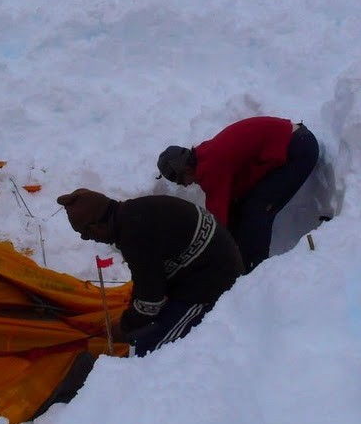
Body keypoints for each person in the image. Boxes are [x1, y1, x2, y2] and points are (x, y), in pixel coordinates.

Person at [56, 188, 243, 356]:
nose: (88, 239)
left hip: (213, 280)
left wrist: (125, 327)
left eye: (85, 234)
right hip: (205, 264)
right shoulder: (132, 213)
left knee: (152, 353)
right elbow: (146, 282)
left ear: (96, 226)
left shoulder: (133, 234)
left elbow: (151, 300)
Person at [157, 116, 319, 274]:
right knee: (243, 207)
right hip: (294, 142)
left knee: (257, 210)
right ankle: (246, 263)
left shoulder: (210, 168)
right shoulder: (205, 155)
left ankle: (255, 273)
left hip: (298, 149)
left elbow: (217, 225)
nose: (184, 185)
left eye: (180, 181)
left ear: (186, 169)